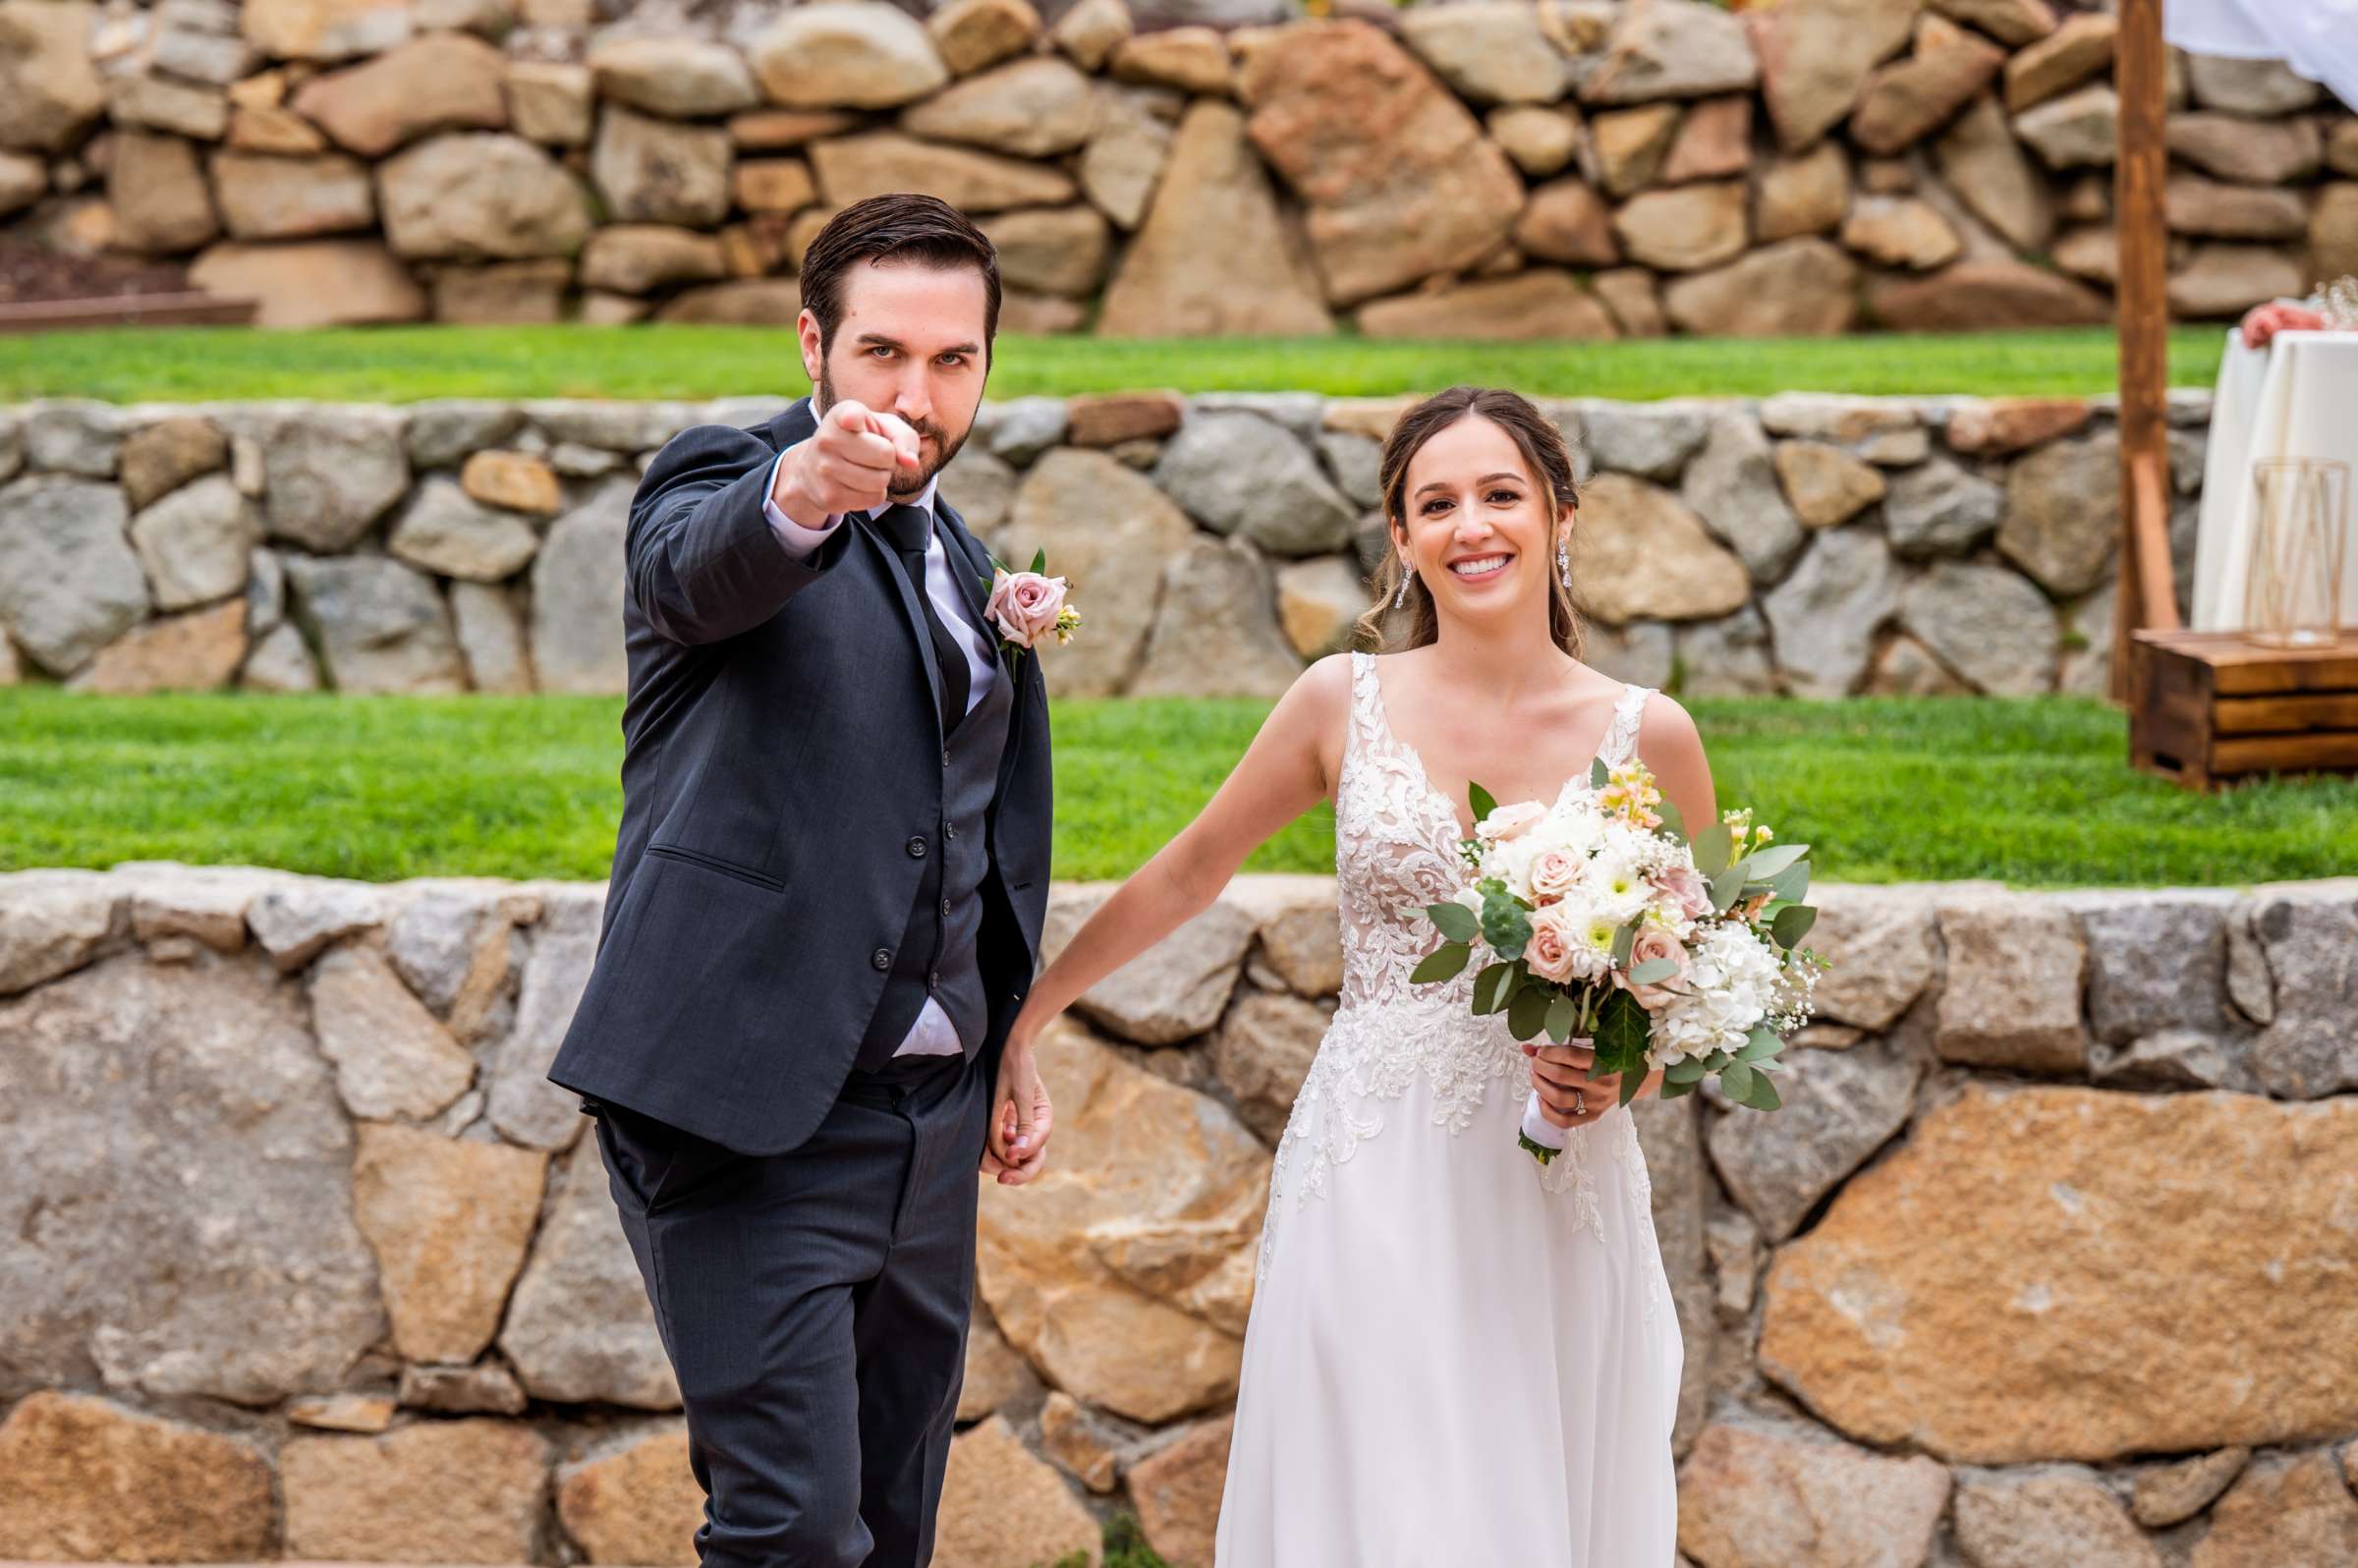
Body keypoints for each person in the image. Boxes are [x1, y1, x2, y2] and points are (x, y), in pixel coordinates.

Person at [996, 386, 1702, 1564]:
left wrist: (1616, 1081)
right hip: (1375, 1161)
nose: (1470, 525)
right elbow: (1189, 871)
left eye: (1499, 495)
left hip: (1551, 1185)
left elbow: (1689, 990)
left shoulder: (1649, 735)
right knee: (1381, 1488)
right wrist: (1027, 1019)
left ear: (1560, 516)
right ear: (1403, 538)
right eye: (1437, 504)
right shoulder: (1343, 700)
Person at [546, 194, 1057, 1568]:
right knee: (791, 1535)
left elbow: (969, 831)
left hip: (928, 1129)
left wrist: (1002, 1037)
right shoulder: (728, 478)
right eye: (883, 353)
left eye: (954, 361)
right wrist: (805, 489)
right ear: (812, 343)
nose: (916, 394)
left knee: (893, 1531)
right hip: (750, 1108)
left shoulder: (964, 560)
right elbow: (693, 577)